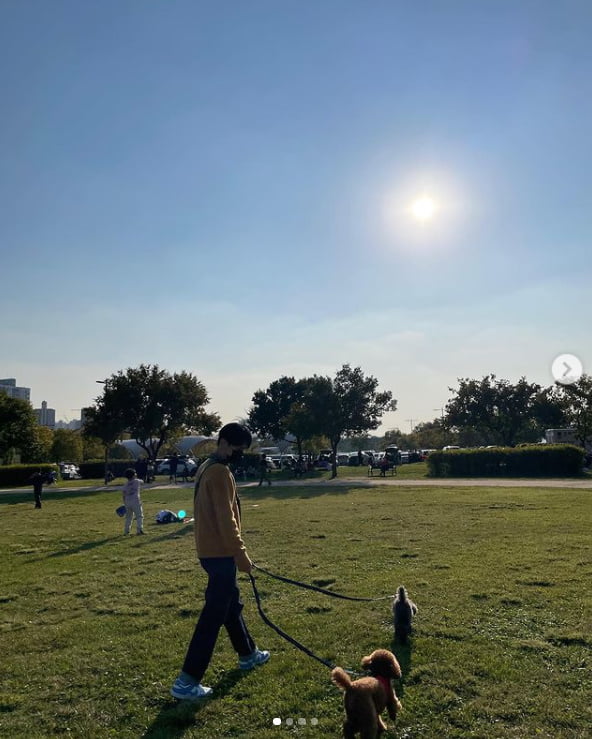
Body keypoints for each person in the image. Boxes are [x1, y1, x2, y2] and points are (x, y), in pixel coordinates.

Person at [170, 423, 269, 701]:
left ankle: (248, 654)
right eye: (238, 448)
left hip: (209, 551)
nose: (240, 453)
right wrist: (241, 554)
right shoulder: (220, 472)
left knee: (229, 605)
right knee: (213, 616)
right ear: (224, 442)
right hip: (221, 553)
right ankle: (187, 681)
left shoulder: (206, 467)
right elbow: (227, 520)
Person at [122, 468, 144, 535]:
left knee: (128, 517)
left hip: (127, 502)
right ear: (134, 475)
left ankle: (126, 531)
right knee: (139, 516)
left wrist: (124, 503)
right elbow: (142, 481)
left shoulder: (125, 484)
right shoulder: (137, 481)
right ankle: (139, 530)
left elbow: (123, 494)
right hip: (136, 501)